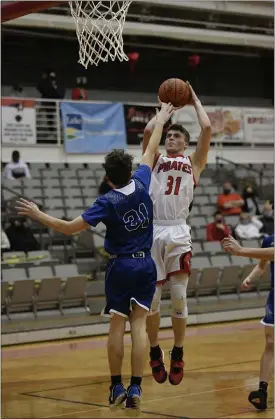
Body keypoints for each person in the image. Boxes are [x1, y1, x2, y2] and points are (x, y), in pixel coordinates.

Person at [15, 102, 175, 414]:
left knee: (117, 325)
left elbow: (69, 228)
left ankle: (116, 385)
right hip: (145, 264)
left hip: (120, 265)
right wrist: (162, 118)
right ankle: (137, 387)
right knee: (140, 327)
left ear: (109, 178)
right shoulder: (142, 182)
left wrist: (37, 214)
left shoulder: (107, 200)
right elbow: (152, 147)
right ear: (128, 171)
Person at [142, 82, 212, 385]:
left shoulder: (194, 163)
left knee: (180, 298)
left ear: (185, 143)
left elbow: (207, 128)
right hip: (153, 230)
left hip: (179, 230)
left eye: (176, 136)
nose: (170, 137)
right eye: (168, 134)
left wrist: (194, 98)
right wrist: (163, 111)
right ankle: (155, 351)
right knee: (153, 303)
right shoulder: (155, 158)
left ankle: (178, 352)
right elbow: (148, 134)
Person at [240, 233, 274, 411]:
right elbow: (262, 265)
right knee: (270, 342)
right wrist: (250, 278)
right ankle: (262, 391)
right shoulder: (269, 239)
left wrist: (240, 250)